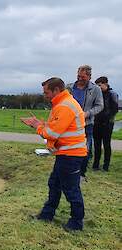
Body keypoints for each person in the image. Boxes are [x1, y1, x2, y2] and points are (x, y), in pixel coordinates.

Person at [21, 77, 87, 231]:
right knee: (55, 184)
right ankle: (47, 214)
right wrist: (40, 124)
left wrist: (37, 126)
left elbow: (51, 133)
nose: (45, 95)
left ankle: (76, 223)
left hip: (71, 155)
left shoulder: (64, 106)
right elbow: (55, 127)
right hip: (65, 154)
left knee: (71, 189)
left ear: (56, 90)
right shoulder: (62, 104)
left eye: (47, 92)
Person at [66, 65, 103, 179]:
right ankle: (69, 171)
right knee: (69, 148)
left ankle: (81, 173)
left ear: (89, 76)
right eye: (78, 76)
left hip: (86, 124)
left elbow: (100, 105)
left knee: (85, 149)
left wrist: (87, 113)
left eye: (82, 76)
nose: (80, 78)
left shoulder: (95, 89)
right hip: (70, 124)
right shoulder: (69, 88)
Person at [92, 76, 119, 172]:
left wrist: (106, 119)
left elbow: (114, 109)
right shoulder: (96, 95)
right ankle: (95, 165)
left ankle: (105, 166)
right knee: (96, 145)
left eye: (99, 85)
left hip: (107, 124)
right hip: (97, 123)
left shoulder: (112, 94)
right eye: (97, 86)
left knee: (106, 145)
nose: (98, 87)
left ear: (105, 84)